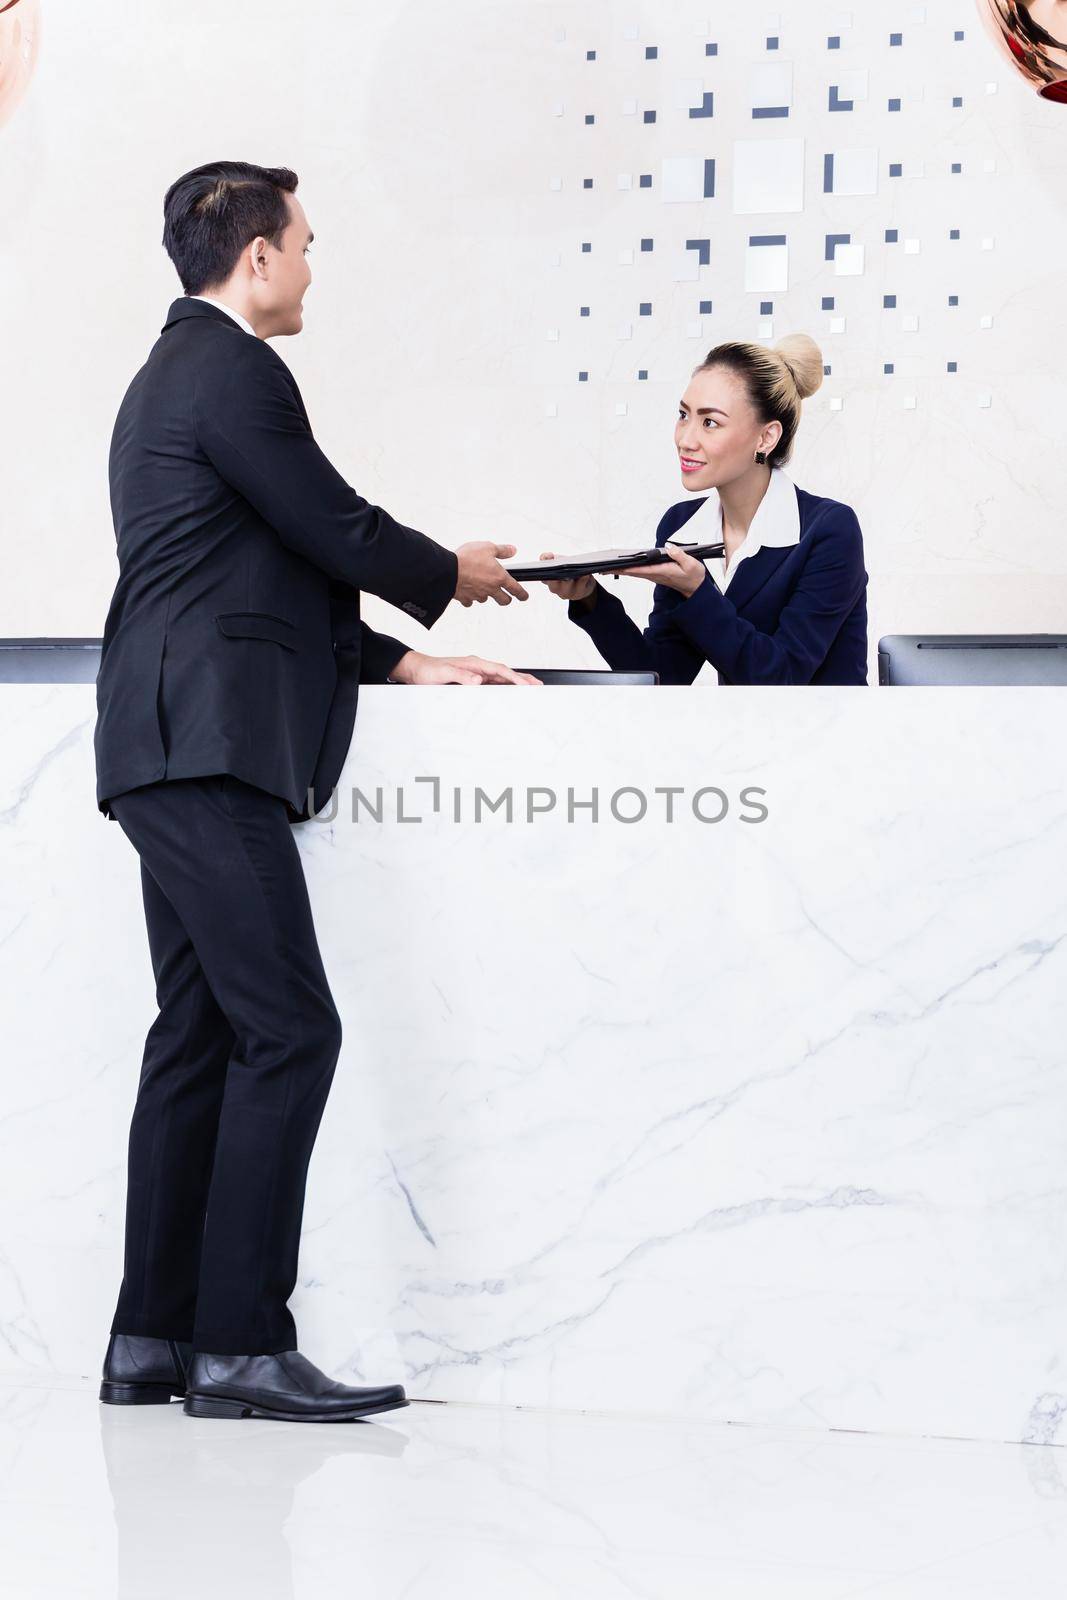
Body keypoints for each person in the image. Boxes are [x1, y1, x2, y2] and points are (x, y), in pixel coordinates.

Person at [95, 160, 540, 1425]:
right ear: (256, 258)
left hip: (161, 743)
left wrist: (405, 657)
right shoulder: (233, 369)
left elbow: (259, 568)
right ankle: (238, 1343)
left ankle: (150, 1339)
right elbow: (329, 524)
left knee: (197, 1037)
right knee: (291, 1030)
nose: (310, 263)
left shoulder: (165, 378)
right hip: (205, 747)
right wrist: (446, 571)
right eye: (304, 242)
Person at [542, 335, 869, 685]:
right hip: (743, 735)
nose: (685, 439)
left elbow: (782, 678)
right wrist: (591, 600)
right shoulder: (682, 525)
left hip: (828, 735)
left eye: (709, 422)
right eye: (683, 415)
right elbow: (664, 675)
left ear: (766, 438)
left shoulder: (828, 529)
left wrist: (698, 592)